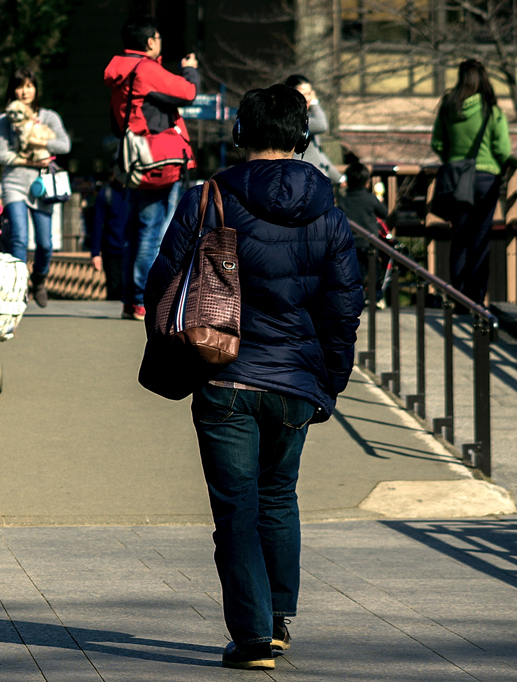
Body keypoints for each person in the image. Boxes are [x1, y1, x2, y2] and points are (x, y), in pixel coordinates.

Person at [145, 84, 364, 670]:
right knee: (278, 496)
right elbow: (344, 308)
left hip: (225, 375)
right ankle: (280, 620)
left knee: (236, 507)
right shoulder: (330, 212)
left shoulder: (208, 197)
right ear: (304, 137)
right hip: (296, 382)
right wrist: (331, 383)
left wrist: (172, 355)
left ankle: (252, 638)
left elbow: (162, 281)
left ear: (240, 134)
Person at [105, 16, 199, 321]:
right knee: (152, 233)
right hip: (157, 161)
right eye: (157, 39)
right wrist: (191, 70)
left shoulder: (121, 70)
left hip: (133, 158)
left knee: (134, 232)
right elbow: (187, 92)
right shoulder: (146, 69)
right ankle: (144, 300)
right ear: (149, 42)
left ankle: (130, 301)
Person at [431, 58, 512, 309]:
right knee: (479, 240)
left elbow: (437, 143)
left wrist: (454, 161)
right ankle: (477, 300)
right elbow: (503, 148)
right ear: (483, 80)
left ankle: (459, 299)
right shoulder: (491, 110)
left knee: (460, 238)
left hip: (457, 180)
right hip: (486, 181)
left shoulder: (448, 106)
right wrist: (497, 166)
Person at [0, 67, 72, 306]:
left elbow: (65, 145)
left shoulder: (48, 117)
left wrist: (38, 140)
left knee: (45, 243)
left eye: (29, 85)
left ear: (36, 89)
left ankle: (38, 279)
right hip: (15, 182)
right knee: (18, 237)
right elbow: (1, 155)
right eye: (19, 86)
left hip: (42, 185)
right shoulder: (5, 120)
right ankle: (18, 288)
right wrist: (30, 160)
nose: (24, 91)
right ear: (13, 91)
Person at [338, 160, 389, 299]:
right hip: (370, 242)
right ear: (367, 182)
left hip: (351, 243)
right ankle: (376, 296)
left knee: (356, 272)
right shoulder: (370, 198)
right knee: (374, 270)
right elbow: (384, 213)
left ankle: (357, 297)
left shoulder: (343, 200)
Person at [283, 75, 343, 186]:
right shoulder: (291, 119)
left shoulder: (306, 116)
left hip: (314, 183)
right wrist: (315, 103)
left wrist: (339, 178)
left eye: (309, 94)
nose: (307, 98)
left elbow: (318, 154)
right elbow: (322, 125)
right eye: (303, 94)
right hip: (302, 183)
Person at [89, 177, 128, 301]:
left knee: (132, 291)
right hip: (112, 252)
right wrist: (95, 253)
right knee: (114, 290)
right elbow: (97, 224)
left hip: (134, 252)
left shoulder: (137, 192)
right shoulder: (106, 194)